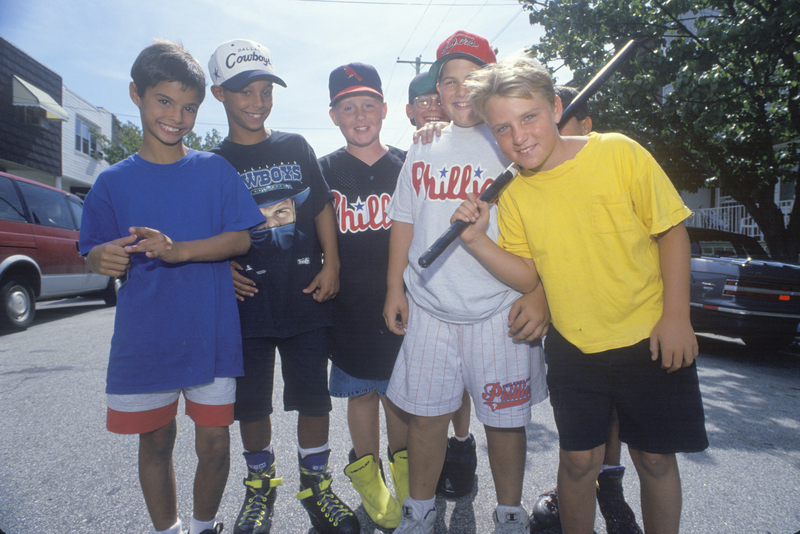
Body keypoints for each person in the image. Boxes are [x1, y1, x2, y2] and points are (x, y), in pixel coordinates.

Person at [452, 53, 709, 534]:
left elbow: (671, 231)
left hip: (649, 335)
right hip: (575, 346)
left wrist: (677, 315)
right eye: (502, 128)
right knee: (577, 462)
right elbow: (529, 276)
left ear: (554, 107)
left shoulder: (617, 151)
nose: (519, 135)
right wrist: (475, 240)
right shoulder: (516, 192)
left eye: (529, 117)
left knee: (654, 460)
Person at [79, 40, 264, 534]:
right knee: (156, 443)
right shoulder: (111, 184)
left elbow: (242, 239)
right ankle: (169, 529)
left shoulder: (214, 170)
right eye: (164, 101)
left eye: (189, 107)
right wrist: (102, 257)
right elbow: (93, 253)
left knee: (216, 445)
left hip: (212, 335)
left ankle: (204, 526)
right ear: (137, 95)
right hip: (147, 341)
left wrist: (178, 250)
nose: (177, 116)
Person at [382, 30, 549, 534]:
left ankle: (509, 514)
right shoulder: (424, 145)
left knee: (504, 420)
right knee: (427, 419)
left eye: (471, 79)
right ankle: (419, 510)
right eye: (448, 81)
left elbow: (546, 230)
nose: (458, 90)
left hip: (499, 307)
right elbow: (404, 221)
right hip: (431, 304)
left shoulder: (511, 142)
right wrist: (395, 287)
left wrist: (538, 291)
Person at [206, 39, 358, 534]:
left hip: (304, 294)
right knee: (252, 404)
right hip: (246, 304)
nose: (256, 102)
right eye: (244, 92)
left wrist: (332, 263)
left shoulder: (294, 147)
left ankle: (316, 486)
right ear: (218, 95)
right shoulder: (210, 163)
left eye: (265, 90)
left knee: (313, 398)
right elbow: (205, 233)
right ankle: (260, 489)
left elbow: (319, 207)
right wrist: (216, 271)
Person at [529, 85, 643, 534]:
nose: (548, 135)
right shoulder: (529, 177)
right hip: (569, 330)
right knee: (580, 432)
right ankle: (577, 489)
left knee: (621, 420)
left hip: (628, 322)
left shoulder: (614, 163)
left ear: (585, 126)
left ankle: (609, 489)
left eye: (560, 123)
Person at [318, 62, 408, 529]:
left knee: (402, 398)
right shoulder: (324, 170)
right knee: (361, 395)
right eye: (347, 106)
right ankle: (370, 480)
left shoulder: (410, 163)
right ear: (333, 114)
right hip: (349, 309)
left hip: (402, 304)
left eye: (368, 104)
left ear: (384, 110)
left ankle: (408, 475)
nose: (359, 114)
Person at [406, 69, 480, 500]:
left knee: (463, 383)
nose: (432, 109)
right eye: (423, 103)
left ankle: (461, 444)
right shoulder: (410, 153)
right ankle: (417, 474)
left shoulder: (480, 140)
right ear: (410, 110)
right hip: (420, 291)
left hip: (469, 288)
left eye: (435, 101)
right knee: (422, 394)